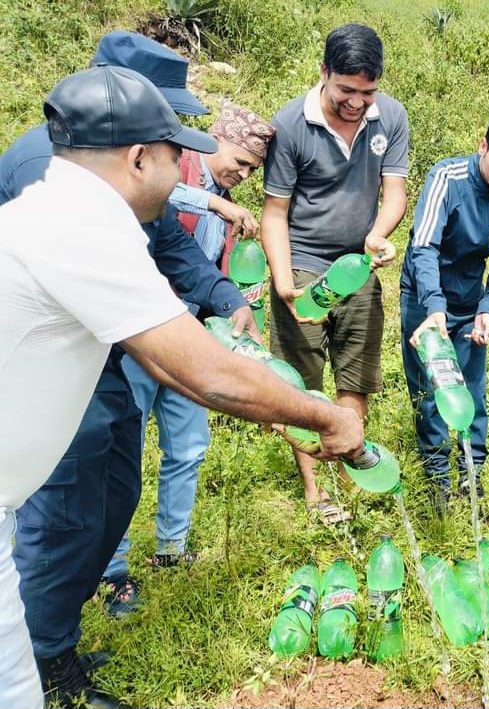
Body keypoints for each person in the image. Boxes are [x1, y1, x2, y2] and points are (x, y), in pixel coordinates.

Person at [0, 66, 365, 709]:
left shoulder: (74, 203)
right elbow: (205, 369)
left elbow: (176, 368)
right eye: (177, 156)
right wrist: (325, 416)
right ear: (139, 158)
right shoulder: (82, 227)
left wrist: (269, 403)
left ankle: (51, 652)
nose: (183, 176)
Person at [0, 31, 264, 704]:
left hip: (99, 354)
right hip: (55, 361)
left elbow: (167, 237)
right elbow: (184, 360)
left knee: (113, 494)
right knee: (64, 513)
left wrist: (224, 294)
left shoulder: (116, 168)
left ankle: (52, 635)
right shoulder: (51, 168)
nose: (179, 157)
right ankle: (38, 663)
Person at [103, 101, 274, 586]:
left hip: (192, 333)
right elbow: (164, 196)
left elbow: (200, 266)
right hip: (142, 336)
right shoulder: (174, 168)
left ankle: (171, 548)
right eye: (239, 161)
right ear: (215, 139)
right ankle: (112, 566)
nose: (242, 174)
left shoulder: (223, 196)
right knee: (124, 451)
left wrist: (236, 299)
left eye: (251, 169)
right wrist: (214, 202)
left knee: (189, 445)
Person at [262, 23, 409, 524]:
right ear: (323, 73)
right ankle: (314, 489)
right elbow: (275, 213)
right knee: (303, 385)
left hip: (358, 265)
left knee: (356, 373)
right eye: (346, 90)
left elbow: (393, 193)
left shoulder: (389, 116)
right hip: (303, 263)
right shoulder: (292, 125)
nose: (356, 103)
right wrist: (284, 282)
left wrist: (379, 233)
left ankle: (349, 470)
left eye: (367, 93)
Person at [400, 109, 489, 512]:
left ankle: (472, 479)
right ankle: (437, 479)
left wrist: (488, 306)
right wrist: (434, 308)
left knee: (472, 391)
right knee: (433, 389)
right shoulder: (447, 178)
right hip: (425, 298)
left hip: (471, 301)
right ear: (483, 146)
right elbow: (424, 246)